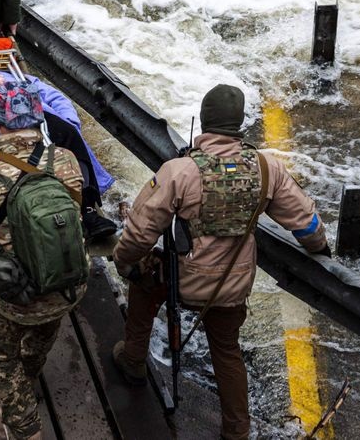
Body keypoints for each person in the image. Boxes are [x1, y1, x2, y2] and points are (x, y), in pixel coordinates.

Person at [111, 84, 330, 440]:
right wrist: (320, 251)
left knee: (143, 284)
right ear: (239, 123)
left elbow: (139, 231)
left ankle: (133, 360)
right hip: (232, 286)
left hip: (182, 279)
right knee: (227, 351)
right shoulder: (266, 168)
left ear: (205, 120)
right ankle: (236, 430)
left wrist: (126, 264)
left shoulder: (179, 171)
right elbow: (306, 222)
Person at [0, 84, 88, 440]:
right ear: (39, 118)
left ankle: (26, 428)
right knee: (42, 333)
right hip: (66, 287)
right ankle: (31, 370)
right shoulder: (67, 161)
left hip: (13, 299)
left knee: (1, 356)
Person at [0, 32, 117, 240]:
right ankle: (32, 216)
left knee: (67, 134)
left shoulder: (9, 74)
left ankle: (88, 210)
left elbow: (53, 96)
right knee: (17, 157)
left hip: (33, 114)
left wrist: (68, 120)